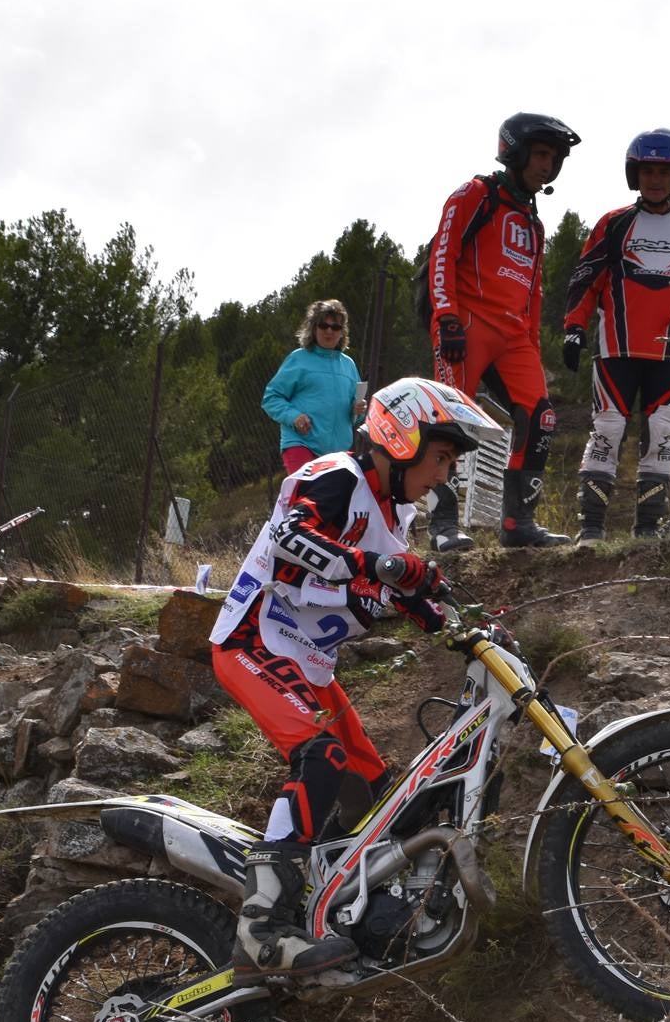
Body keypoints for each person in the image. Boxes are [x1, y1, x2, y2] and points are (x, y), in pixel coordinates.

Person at [209, 377, 502, 978]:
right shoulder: (336, 473)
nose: (445, 474)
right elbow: (292, 538)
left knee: (374, 788)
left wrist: (459, 627)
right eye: (441, 456)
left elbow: (400, 588)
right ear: (402, 437)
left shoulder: (396, 509)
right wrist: (387, 565)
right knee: (321, 758)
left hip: (307, 663)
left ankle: (329, 898)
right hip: (252, 641)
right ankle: (262, 924)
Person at [424, 112, 582, 550]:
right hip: (467, 322)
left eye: (555, 158)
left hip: (514, 337)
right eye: (542, 154)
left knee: (541, 416)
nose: (547, 165)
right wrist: (446, 317)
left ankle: (518, 525)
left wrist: (532, 349)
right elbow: (443, 253)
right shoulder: (476, 194)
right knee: (450, 420)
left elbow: (534, 293)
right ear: (515, 150)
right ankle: (442, 525)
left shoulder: (535, 222)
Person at [561, 128, 670, 539]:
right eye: (647, 170)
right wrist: (573, 329)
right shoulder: (613, 224)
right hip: (616, 349)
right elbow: (585, 280)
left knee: (662, 433)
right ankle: (591, 531)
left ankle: (646, 533)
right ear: (635, 173)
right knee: (608, 429)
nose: (655, 179)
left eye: (664, 172)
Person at [261, 299, 366, 474]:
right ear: (313, 328)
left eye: (336, 327)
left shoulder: (349, 365)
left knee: (336, 500)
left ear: (342, 332)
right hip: (301, 445)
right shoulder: (298, 359)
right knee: (307, 497)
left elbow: (357, 416)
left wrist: (359, 409)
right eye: (323, 325)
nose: (329, 331)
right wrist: (294, 417)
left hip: (338, 453)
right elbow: (271, 398)